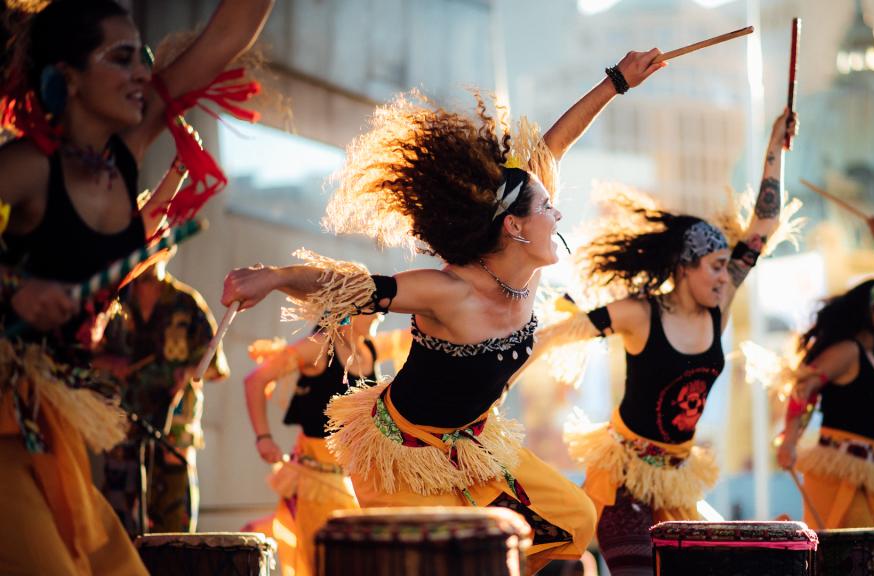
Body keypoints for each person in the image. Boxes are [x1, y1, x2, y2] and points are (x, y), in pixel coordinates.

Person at [221, 49, 668, 573]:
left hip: (475, 444)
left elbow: (553, 145)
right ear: (515, 228)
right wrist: (276, 277)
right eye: (547, 207)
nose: (558, 210)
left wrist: (615, 82)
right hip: (402, 456)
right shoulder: (450, 292)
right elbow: (355, 285)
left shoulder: (529, 267)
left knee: (573, 520)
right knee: (446, 559)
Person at [0, 1, 272, 572]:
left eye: (144, 58)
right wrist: (14, 288)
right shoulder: (25, 167)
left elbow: (230, 30)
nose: (143, 74)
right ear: (68, 77)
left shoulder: (129, 148)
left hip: (49, 422)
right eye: (120, 59)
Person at [527, 108, 799, 574]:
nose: (723, 274)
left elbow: (762, 228)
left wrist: (774, 146)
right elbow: (556, 335)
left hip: (677, 480)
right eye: (714, 265)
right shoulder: (640, 312)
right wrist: (496, 375)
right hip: (623, 482)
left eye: (723, 265)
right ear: (685, 268)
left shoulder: (720, 303)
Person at [775, 216, 874, 530]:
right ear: (870, 312)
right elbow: (804, 387)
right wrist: (789, 440)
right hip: (840, 475)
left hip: (868, 474)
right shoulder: (849, 351)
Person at [244, 314, 410, 576]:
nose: (383, 311)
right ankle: (261, 531)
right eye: (374, 304)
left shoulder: (368, 346)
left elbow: (412, 337)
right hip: (317, 478)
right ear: (350, 309)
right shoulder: (319, 348)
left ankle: (263, 528)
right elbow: (255, 380)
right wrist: (263, 437)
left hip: (355, 480)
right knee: (324, 565)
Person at [93, 249, 229, 536]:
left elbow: (215, 367)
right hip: (122, 425)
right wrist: (109, 362)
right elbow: (81, 355)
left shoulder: (187, 304)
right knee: (118, 525)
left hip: (172, 431)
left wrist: (190, 372)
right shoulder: (113, 302)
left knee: (172, 526)